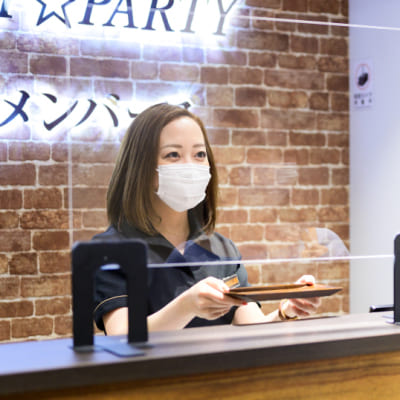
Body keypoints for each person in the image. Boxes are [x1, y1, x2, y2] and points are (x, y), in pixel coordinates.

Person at [93, 103, 320, 335]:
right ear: (141, 166)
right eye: (173, 155)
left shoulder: (222, 249)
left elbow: (253, 330)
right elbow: (122, 335)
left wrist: (286, 311)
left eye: (199, 154)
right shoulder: (110, 249)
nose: (190, 166)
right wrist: (186, 306)